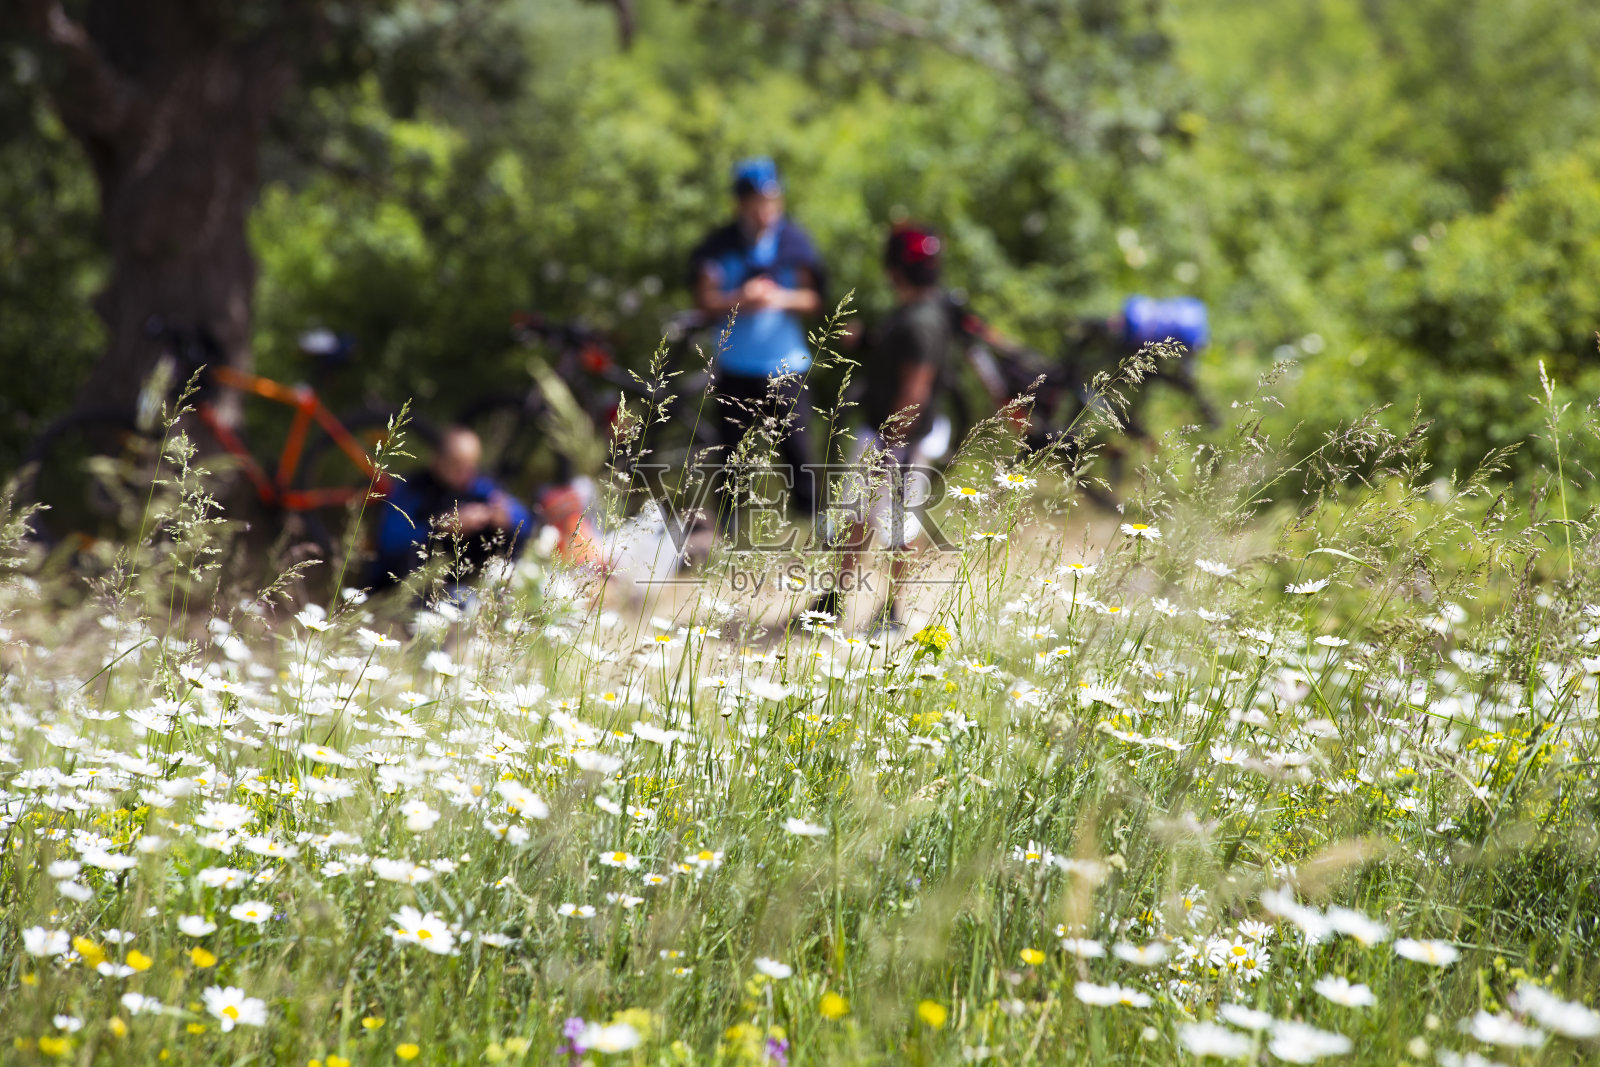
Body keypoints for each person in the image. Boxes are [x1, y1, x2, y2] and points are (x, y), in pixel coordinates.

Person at [806, 224, 954, 630]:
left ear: (894, 268)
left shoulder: (920, 322)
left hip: (899, 442)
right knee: (858, 516)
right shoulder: (916, 312)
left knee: (897, 528)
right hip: (884, 435)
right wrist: (869, 341)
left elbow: (915, 391)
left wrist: (889, 448)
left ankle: (892, 612)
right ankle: (834, 600)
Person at [689, 157, 827, 521]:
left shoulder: (794, 241)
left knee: (800, 459)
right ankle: (729, 543)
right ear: (740, 204)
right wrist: (741, 299)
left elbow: (814, 298)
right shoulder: (719, 246)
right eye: (757, 202)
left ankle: (819, 536)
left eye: (771, 200)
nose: (766, 210)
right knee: (732, 465)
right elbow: (704, 301)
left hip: (786, 368)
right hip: (735, 368)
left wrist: (778, 298)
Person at [371, 426, 535, 589]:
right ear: (436, 459)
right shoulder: (411, 489)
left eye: (470, 466)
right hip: (409, 588)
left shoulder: (478, 486)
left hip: (464, 587)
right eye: (457, 465)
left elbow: (524, 520)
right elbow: (389, 542)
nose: (465, 474)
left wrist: (505, 519)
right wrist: (441, 527)